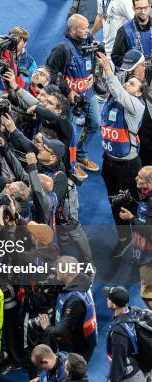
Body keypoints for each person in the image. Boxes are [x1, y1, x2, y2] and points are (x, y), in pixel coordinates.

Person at [96, 52, 145, 258]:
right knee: (115, 202)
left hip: (129, 167)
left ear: (139, 93)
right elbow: (108, 87)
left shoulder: (136, 106)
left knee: (136, 206)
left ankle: (142, 244)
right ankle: (124, 239)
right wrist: (103, 69)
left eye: (133, 85)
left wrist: (109, 71)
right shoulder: (113, 100)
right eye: (128, 83)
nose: (128, 85)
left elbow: (117, 89)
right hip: (109, 162)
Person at [46, 14, 101, 180]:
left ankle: (81, 154)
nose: (88, 31)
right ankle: (71, 164)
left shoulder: (89, 38)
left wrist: (93, 74)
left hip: (88, 93)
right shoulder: (62, 49)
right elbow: (50, 73)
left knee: (95, 123)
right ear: (72, 29)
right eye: (83, 28)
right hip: (71, 100)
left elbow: (93, 58)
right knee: (71, 134)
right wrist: (68, 91)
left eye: (87, 27)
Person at [37, 256, 98, 361]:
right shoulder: (82, 280)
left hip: (77, 347)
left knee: (71, 374)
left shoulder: (74, 300)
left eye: (58, 269)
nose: (56, 272)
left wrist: (46, 326)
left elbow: (62, 331)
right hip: (82, 336)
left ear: (66, 273)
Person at [118, 166, 152, 308]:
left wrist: (132, 218)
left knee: (146, 294)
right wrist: (132, 202)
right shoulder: (145, 194)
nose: (135, 179)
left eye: (140, 177)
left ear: (150, 183)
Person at [105, 286, 146, 382]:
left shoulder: (118, 331)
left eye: (109, 298)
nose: (107, 299)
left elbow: (118, 363)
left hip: (131, 377)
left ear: (114, 305)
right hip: (140, 369)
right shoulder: (135, 312)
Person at [0, 26, 37, 92]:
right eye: (13, 40)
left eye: (17, 41)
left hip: (14, 97)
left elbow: (27, 85)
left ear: (25, 44)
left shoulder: (30, 62)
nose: (14, 44)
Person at [111, 0, 152, 67]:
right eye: (139, 8)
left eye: (145, 8)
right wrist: (133, 64)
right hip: (135, 75)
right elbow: (116, 57)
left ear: (150, 7)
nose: (143, 11)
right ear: (134, 9)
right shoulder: (124, 30)